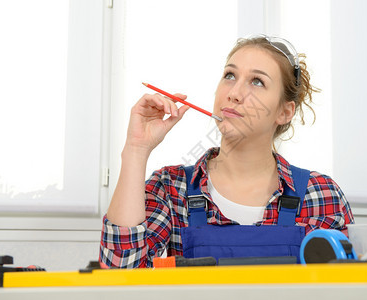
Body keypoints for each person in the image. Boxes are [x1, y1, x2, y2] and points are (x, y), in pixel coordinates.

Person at [100, 35, 354, 268]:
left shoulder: (321, 195)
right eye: (230, 76)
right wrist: (136, 149)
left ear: (284, 112)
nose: (234, 94)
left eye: (257, 81)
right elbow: (120, 278)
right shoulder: (170, 188)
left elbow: (348, 288)